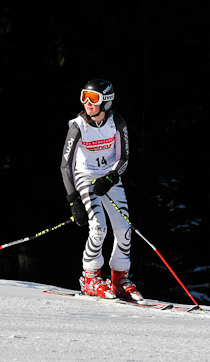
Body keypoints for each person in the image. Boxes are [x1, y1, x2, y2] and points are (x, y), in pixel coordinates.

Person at [60, 78, 143, 301]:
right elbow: (65, 165)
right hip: (85, 176)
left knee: (124, 228)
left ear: (106, 101)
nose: (87, 102)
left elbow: (124, 157)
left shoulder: (117, 122)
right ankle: (89, 277)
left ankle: (119, 279)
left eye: (93, 98)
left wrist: (111, 176)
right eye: (84, 96)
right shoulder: (79, 126)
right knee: (98, 228)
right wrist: (73, 201)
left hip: (109, 178)